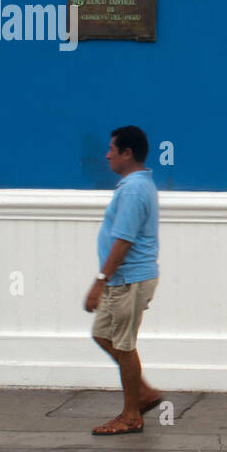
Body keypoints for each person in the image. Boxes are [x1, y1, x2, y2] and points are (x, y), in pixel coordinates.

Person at [84, 125, 164, 436]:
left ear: (127, 153)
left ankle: (132, 415)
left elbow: (123, 240)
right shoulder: (138, 185)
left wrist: (100, 280)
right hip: (124, 280)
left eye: (112, 149)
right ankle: (142, 393)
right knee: (103, 335)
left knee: (123, 345)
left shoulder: (132, 189)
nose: (107, 155)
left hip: (128, 280)